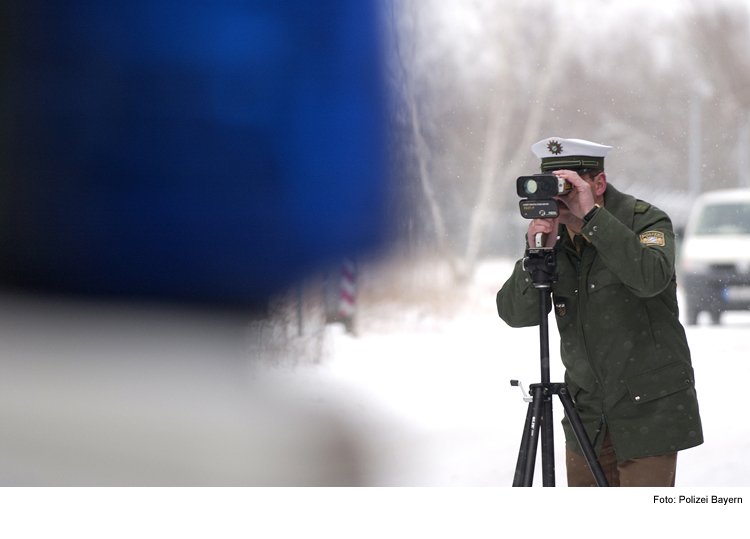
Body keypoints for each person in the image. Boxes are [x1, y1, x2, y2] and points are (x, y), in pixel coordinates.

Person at [497, 137, 703, 487]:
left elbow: (650, 278)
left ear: (598, 184)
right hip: (587, 416)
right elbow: (517, 315)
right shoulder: (556, 240)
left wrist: (593, 220)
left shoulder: (645, 220)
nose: (561, 199)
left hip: (647, 411)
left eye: (569, 187)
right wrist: (536, 252)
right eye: (554, 189)